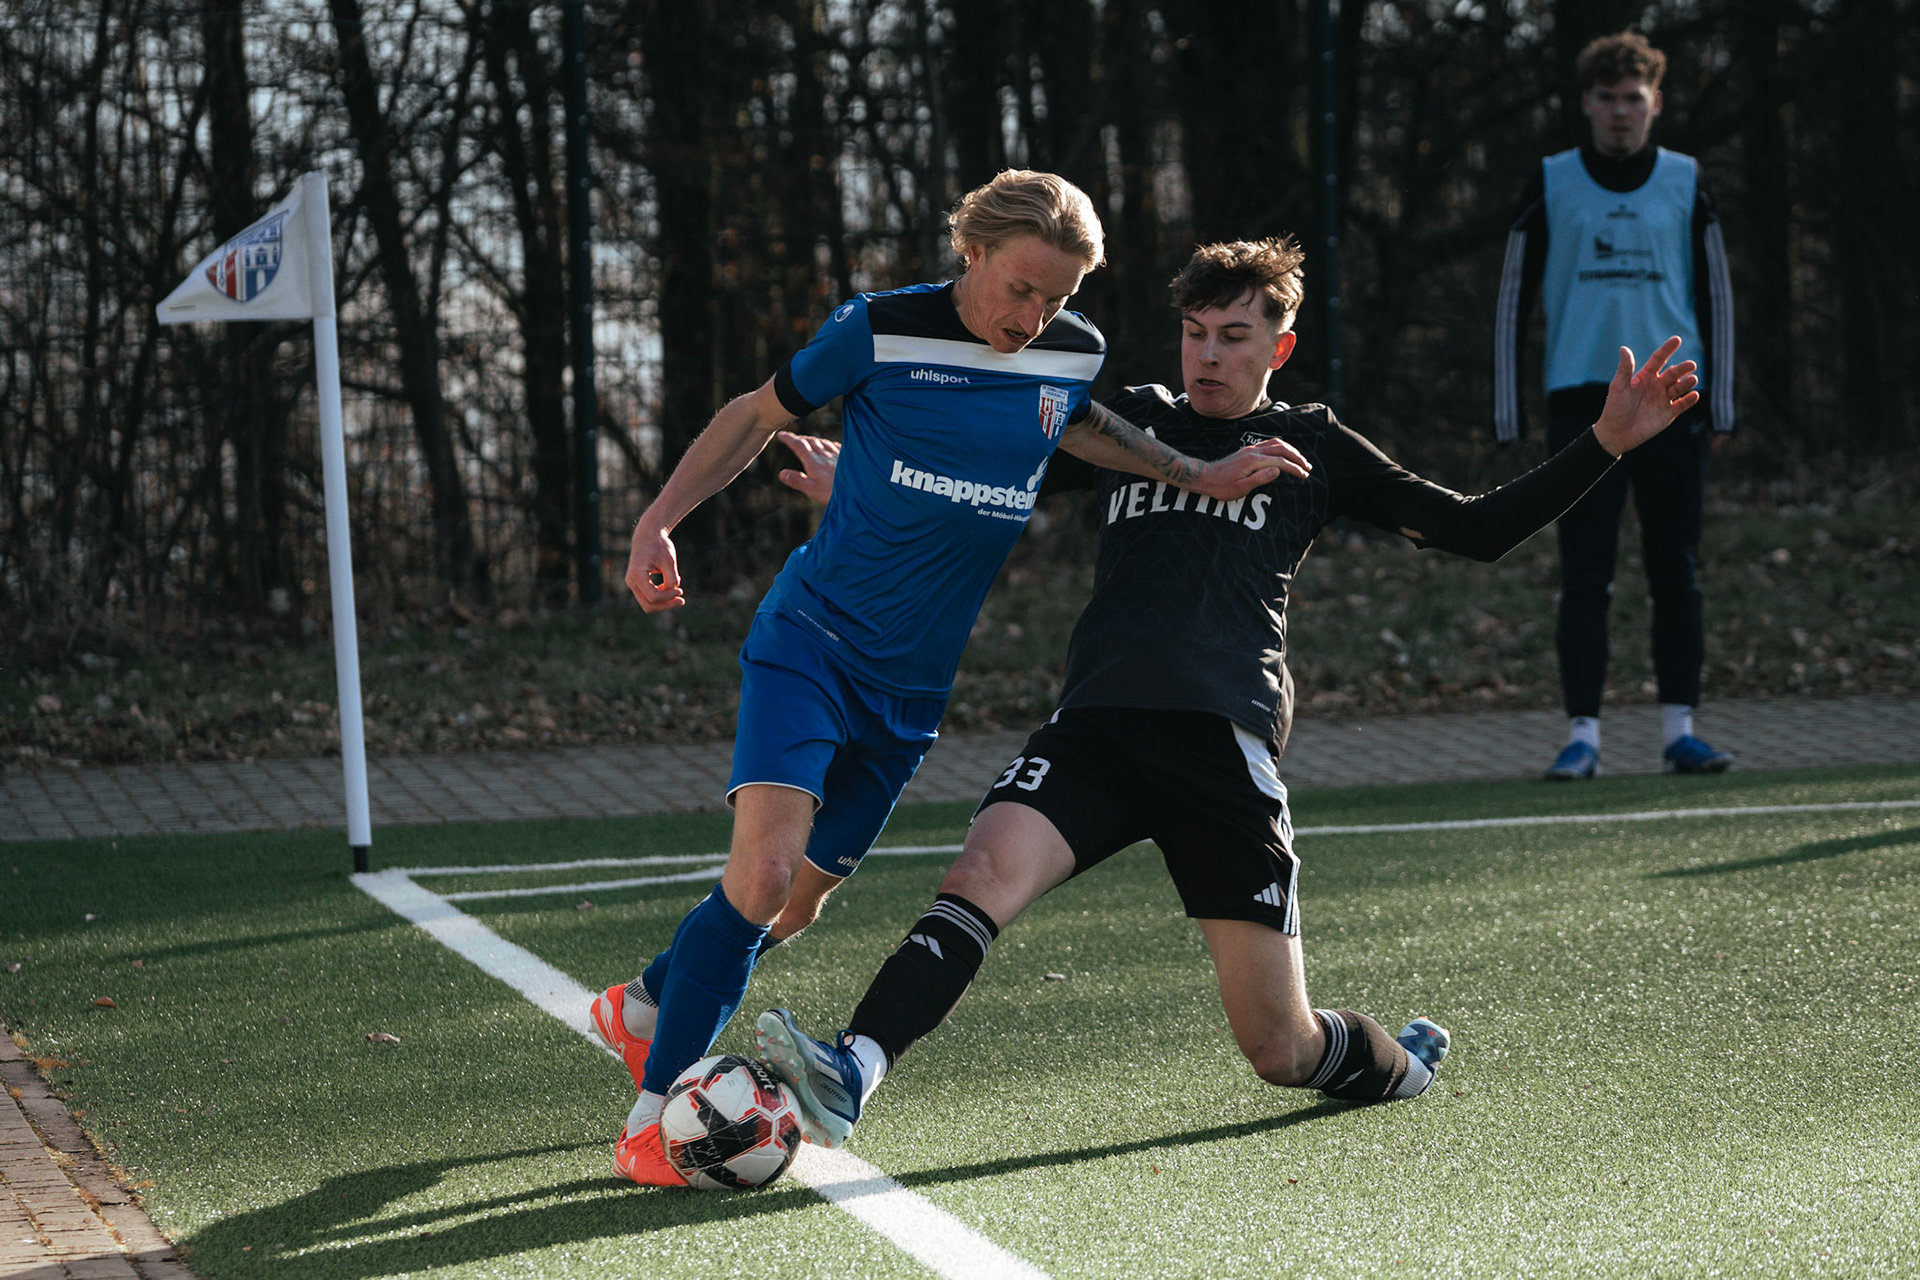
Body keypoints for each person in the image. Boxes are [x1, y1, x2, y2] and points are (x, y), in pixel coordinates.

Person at [753, 236, 1701, 1147]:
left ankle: (1403, 1064)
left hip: (1221, 749)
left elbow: (1478, 529)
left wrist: (1606, 443)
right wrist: (863, 485)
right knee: (977, 879)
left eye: (1234, 336)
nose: (1209, 354)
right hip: (1097, 728)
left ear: (1279, 348)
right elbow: (985, 475)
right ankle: (855, 1068)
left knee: (1279, 1049)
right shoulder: (1134, 421)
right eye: (1196, 331)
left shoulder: (1312, 444)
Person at [598, 171, 1310, 1186]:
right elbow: (754, 413)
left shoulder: (1069, 351)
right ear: (970, 251)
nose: (1035, 316)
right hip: (812, 639)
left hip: (912, 692)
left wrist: (1196, 472)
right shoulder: (879, 330)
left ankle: (644, 1004)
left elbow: (1084, 422)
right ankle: (650, 1117)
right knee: (758, 877)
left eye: (1057, 296)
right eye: (1021, 288)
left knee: (792, 906)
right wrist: (657, 520)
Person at [1492, 29, 1737, 780]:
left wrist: (1720, 404)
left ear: (1656, 104)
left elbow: (1717, 296)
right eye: (1607, 100)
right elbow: (1512, 299)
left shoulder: (1688, 180)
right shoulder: (1552, 180)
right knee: (1585, 574)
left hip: (1674, 404)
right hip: (1583, 409)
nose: (1621, 113)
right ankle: (1583, 739)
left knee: (1676, 570)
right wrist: (1507, 412)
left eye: (1634, 99)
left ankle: (1680, 731)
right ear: (1587, 105)